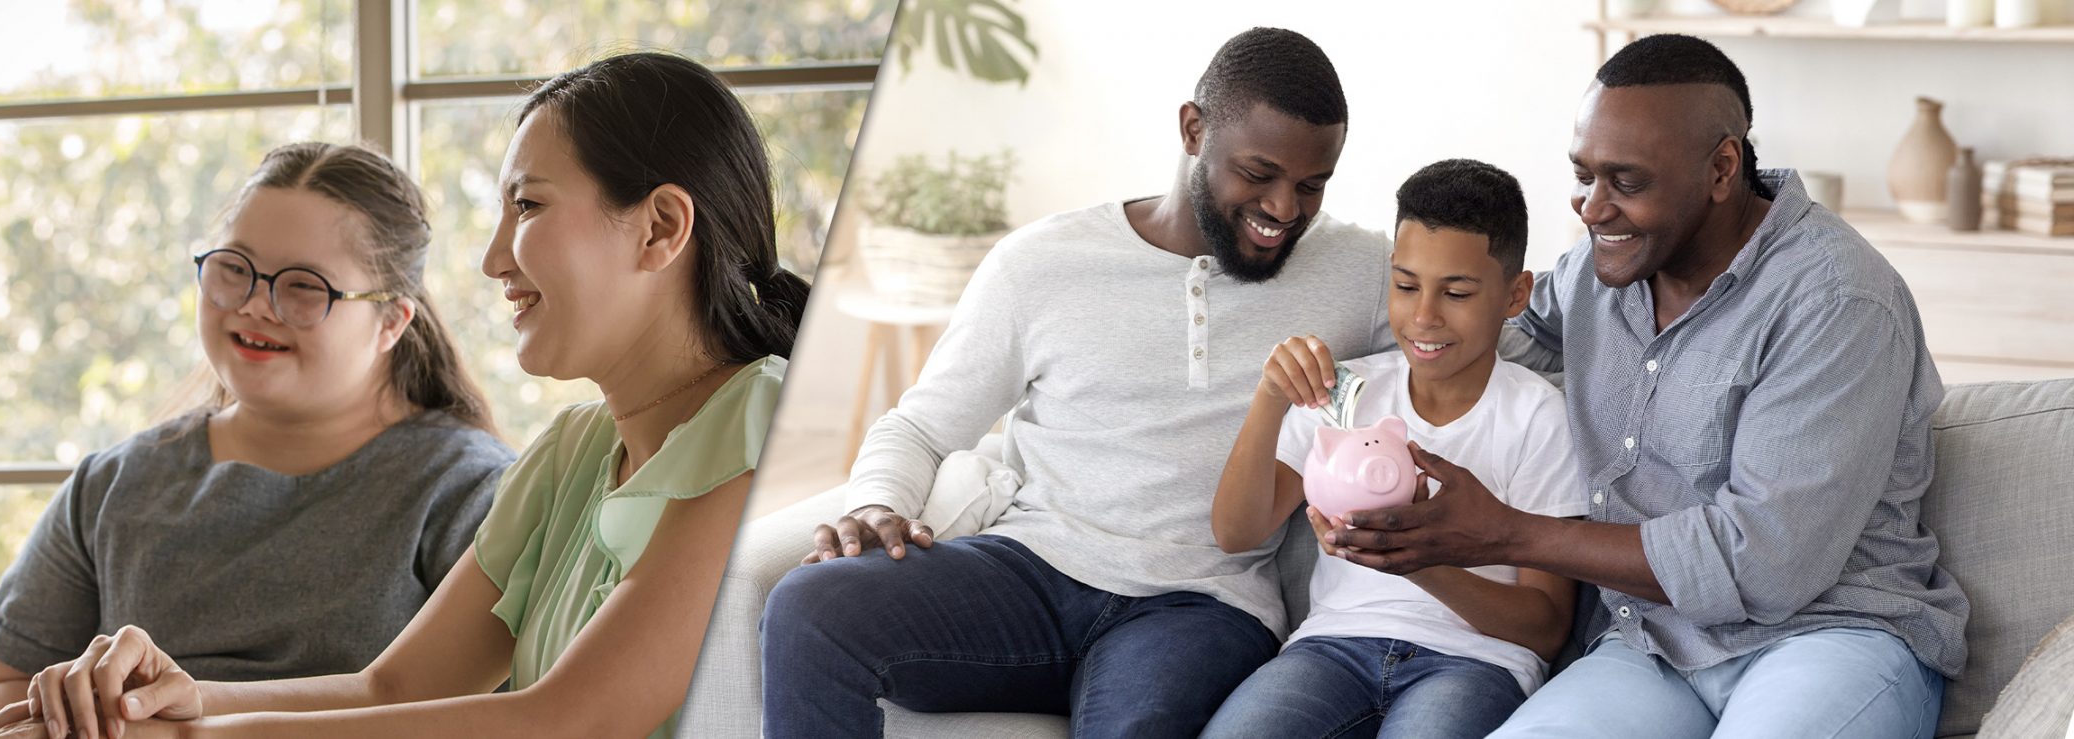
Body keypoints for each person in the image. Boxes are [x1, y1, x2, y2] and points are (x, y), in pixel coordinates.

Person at [0, 51, 807, 739]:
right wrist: (185, 700)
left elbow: (565, 718)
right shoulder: (573, 451)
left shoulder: (759, 417)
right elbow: (389, 686)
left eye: (527, 205)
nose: (491, 260)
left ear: (661, 227)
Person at [758, 27, 1397, 738]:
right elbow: (921, 426)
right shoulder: (1042, 263)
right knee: (808, 606)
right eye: (1259, 173)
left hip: (1202, 605)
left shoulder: (1364, 270)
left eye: (1312, 185)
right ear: (1193, 129)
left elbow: (1480, 335)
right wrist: (878, 504)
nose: (1284, 208)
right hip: (1032, 569)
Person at [1322, 35, 1965, 738]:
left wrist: (1508, 534)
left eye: (1626, 182)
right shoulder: (1599, 271)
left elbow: (1767, 560)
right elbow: (1484, 336)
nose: (1592, 208)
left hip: (1827, 634)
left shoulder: (1837, 300)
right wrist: (1323, 357)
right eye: (1583, 175)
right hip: (1649, 643)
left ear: (1721, 167)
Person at [0, 142, 514, 718]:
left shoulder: (469, 492)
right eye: (234, 269)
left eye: (303, 286)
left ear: (391, 322)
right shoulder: (112, 484)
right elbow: (1, 690)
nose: (256, 305)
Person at [1201, 159, 1584, 739]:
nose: (1424, 316)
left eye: (1456, 292)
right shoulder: (1345, 393)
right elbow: (1236, 532)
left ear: (1515, 295)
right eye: (1406, 286)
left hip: (1474, 663)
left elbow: (1546, 628)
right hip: (1331, 650)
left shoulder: (1538, 418)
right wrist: (1270, 398)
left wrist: (1421, 560)